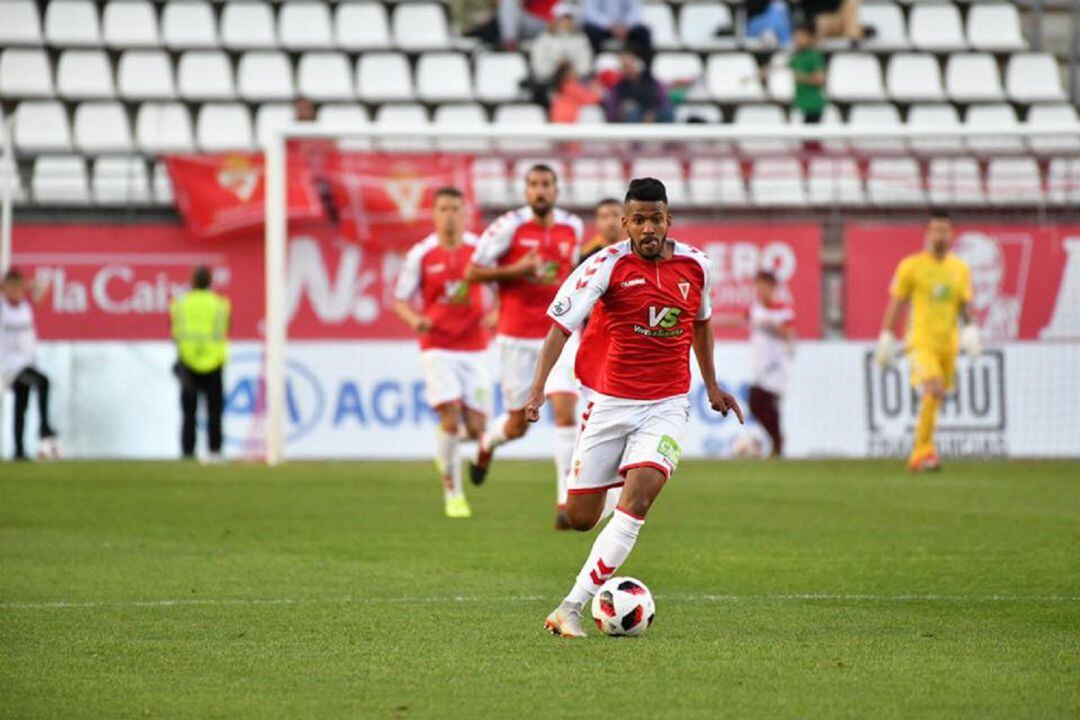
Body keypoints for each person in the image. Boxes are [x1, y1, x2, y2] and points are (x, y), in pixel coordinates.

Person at [525, 178, 744, 637]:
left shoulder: (697, 266)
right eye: (639, 220)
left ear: (669, 221)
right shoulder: (605, 266)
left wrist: (712, 385)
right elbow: (560, 327)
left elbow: (701, 325)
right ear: (625, 224)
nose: (649, 228)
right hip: (610, 404)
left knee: (638, 499)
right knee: (580, 518)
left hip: (667, 404)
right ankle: (622, 476)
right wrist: (538, 387)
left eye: (657, 219)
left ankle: (571, 606)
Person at [464, 165, 584, 505]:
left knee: (565, 411)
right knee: (518, 426)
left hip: (558, 333)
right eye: (534, 185)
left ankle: (565, 500)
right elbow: (472, 271)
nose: (540, 191)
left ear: (556, 190)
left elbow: (572, 274)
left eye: (546, 184)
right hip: (516, 335)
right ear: (526, 191)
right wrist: (517, 270)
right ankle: (488, 443)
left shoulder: (571, 226)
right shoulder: (508, 227)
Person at [392, 188, 491, 519]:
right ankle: (453, 493)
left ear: (465, 214)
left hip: (475, 346)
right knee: (450, 417)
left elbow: (504, 287)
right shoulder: (421, 254)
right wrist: (414, 320)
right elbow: (400, 298)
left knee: (478, 428)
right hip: (437, 345)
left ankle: (446, 450)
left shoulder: (480, 250)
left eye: (455, 209)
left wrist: (497, 314)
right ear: (434, 214)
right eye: (443, 209)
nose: (449, 215)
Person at [876, 210, 981, 473]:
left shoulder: (960, 269)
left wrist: (970, 330)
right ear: (927, 234)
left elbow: (964, 304)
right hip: (920, 342)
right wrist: (887, 335)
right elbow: (897, 303)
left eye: (945, 231)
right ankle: (922, 453)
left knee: (936, 395)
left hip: (948, 344)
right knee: (933, 388)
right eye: (936, 230)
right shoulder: (911, 266)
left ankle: (923, 451)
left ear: (952, 234)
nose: (941, 236)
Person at [171, 266, 231, 462]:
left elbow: (176, 332)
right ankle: (215, 451)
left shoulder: (180, 304)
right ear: (210, 282)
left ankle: (188, 451)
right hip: (213, 360)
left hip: (188, 360)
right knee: (214, 410)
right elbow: (225, 328)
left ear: (193, 281)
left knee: (189, 411)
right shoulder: (220, 304)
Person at [1, 268, 59, 461]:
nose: (17, 292)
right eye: (12, 288)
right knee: (44, 382)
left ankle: (18, 450)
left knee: (21, 405)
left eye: (19, 288)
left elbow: (43, 290)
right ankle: (44, 427)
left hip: (27, 363)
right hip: (11, 367)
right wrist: (9, 286)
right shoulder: (3, 307)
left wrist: (26, 285)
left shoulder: (25, 306)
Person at [746, 270, 795, 457]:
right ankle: (777, 441)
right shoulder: (756, 309)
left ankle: (777, 443)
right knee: (755, 403)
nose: (760, 289)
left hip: (776, 366)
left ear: (772, 286)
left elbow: (790, 334)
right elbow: (739, 320)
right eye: (758, 285)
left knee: (767, 404)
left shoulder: (783, 310)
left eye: (763, 285)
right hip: (760, 364)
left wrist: (770, 325)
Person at [530, 3, 593, 84]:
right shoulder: (543, 39)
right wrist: (556, 68)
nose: (567, 21)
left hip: (577, 80)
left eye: (569, 18)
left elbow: (586, 61)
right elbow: (538, 66)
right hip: (550, 80)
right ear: (555, 20)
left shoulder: (581, 38)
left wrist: (573, 70)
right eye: (563, 18)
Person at [582, 0, 653, 67]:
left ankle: (646, 69)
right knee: (589, 32)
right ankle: (594, 67)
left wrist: (625, 26)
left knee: (644, 32)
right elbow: (590, 13)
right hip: (603, 28)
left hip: (626, 28)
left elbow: (635, 11)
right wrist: (611, 25)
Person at [606, 52, 672, 124]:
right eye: (624, 67)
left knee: (666, 112)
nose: (628, 69)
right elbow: (613, 110)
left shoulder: (651, 82)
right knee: (631, 111)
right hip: (633, 117)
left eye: (629, 66)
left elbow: (661, 100)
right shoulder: (618, 87)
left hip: (654, 113)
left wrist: (651, 112)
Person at [789, 22, 826, 124]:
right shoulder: (796, 56)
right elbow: (784, 69)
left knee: (811, 138)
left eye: (801, 36)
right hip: (800, 104)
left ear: (809, 37)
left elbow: (820, 79)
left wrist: (801, 78)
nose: (798, 39)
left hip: (813, 105)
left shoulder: (813, 55)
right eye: (796, 36)